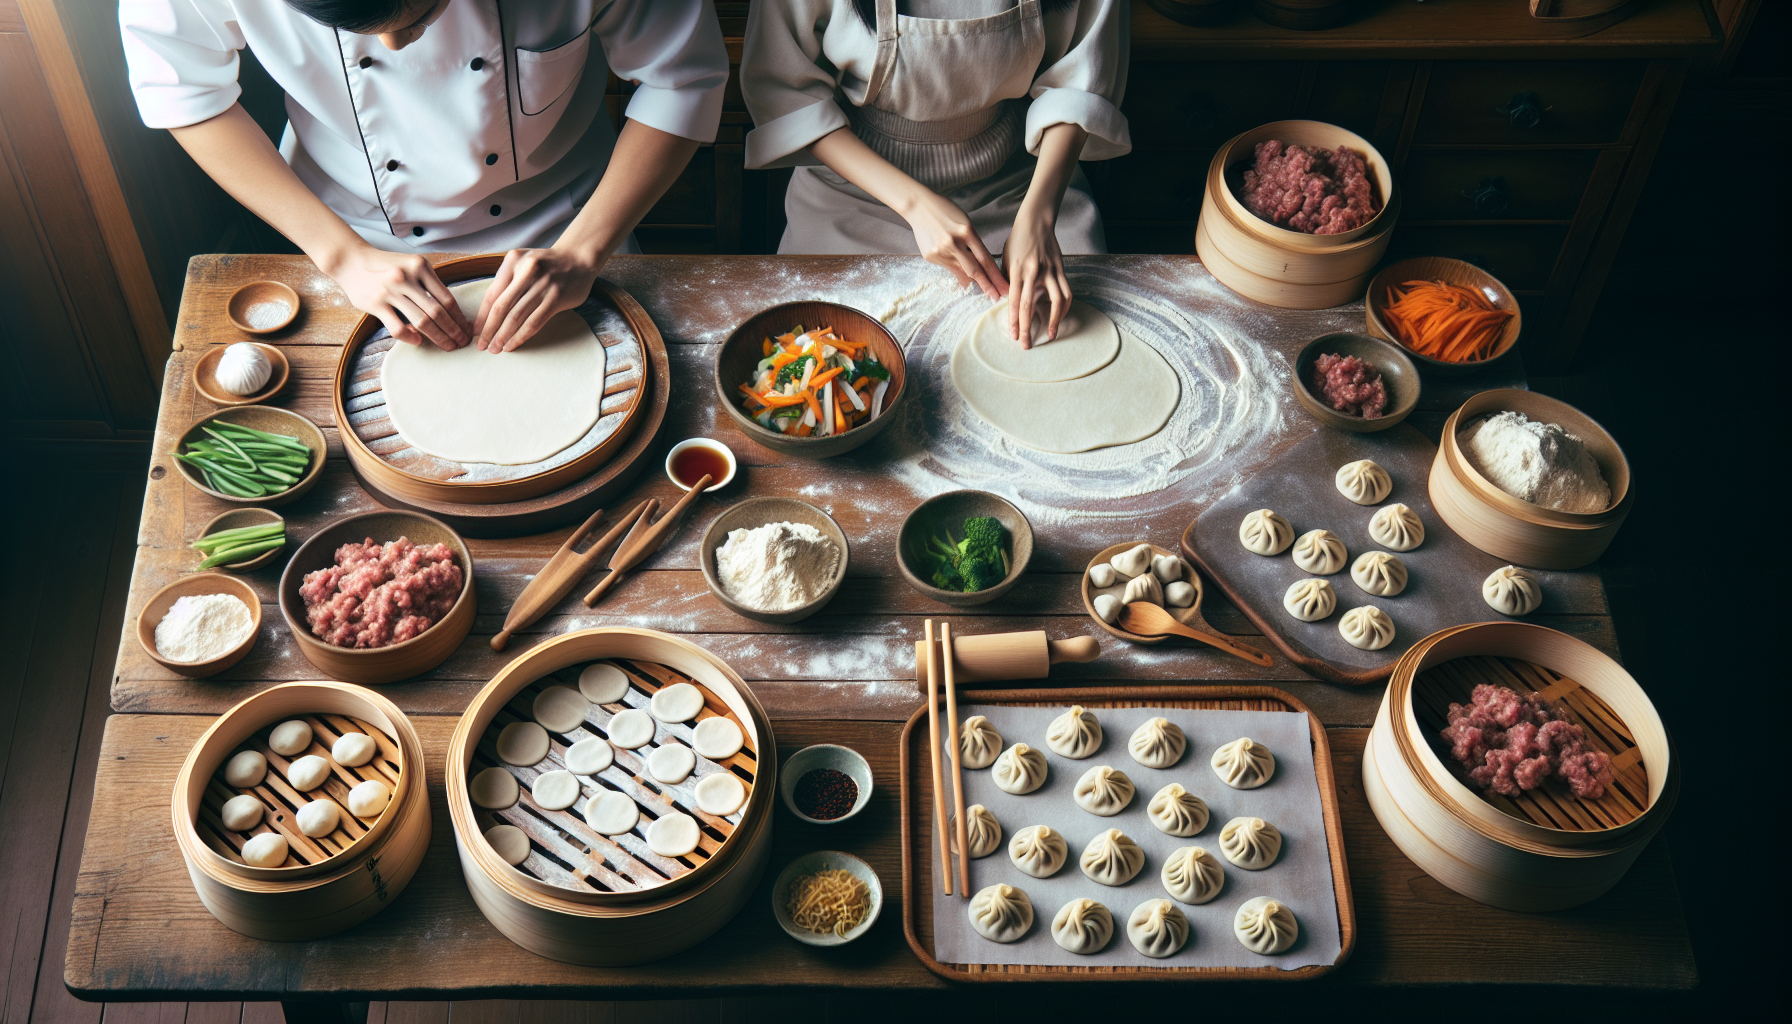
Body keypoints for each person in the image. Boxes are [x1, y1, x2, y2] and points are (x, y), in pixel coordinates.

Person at [120, 0, 728, 352]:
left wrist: (583, 250)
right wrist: (342, 257)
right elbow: (183, 92)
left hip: (571, 214)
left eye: (422, 11)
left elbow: (682, 78)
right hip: (346, 225)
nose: (392, 43)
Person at [740, 0, 1129, 347]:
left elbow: (1078, 79)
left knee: (1069, 336)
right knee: (823, 347)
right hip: (854, 188)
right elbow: (789, 94)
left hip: (1024, 182)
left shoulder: (1037, 206)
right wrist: (914, 204)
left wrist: (1039, 218)